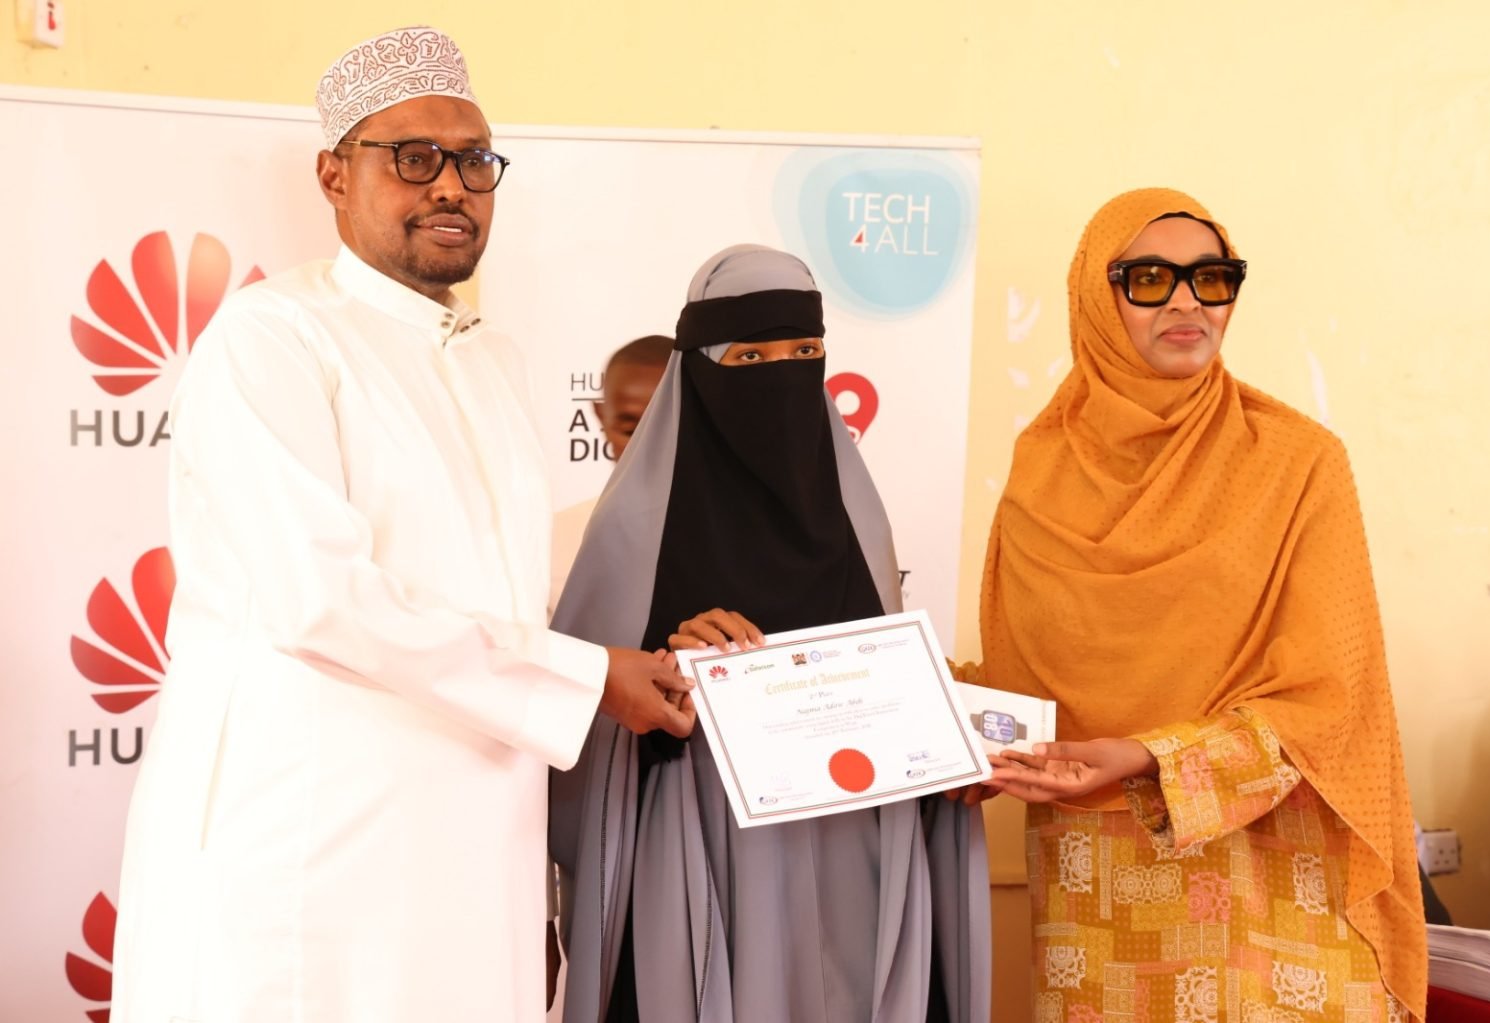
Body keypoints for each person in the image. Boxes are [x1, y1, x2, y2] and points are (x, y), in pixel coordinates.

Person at [109, 27, 693, 1023]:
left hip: (471, 827)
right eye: (413, 157)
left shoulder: (490, 358)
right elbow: (321, 599)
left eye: (474, 161)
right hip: (319, 832)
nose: (451, 187)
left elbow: (497, 593)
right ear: (335, 175)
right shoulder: (273, 338)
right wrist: (588, 678)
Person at [965, 189, 1426, 1020]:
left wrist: (1146, 755)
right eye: (1148, 277)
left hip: (1271, 879)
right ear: (1095, 300)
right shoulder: (1040, 472)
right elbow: (1014, 685)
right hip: (1096, 880)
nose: (1186, 300)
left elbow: (1327, 694)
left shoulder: (1299, 463)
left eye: (1212, 279)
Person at [550, 244, 990, 1022]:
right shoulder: (627, 529)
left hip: (863, 849)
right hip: (706, 865)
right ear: (699, 366)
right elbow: (575, 728)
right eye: (749, 353)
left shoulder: (859, 516)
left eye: (804, 351)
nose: (781, 373)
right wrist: (667, 668)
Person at [550, 334, 671, 609]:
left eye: (668, 426)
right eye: (630, 431)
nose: (647, 447)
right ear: (600, 415)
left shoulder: (750, 539)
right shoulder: (552, 545)